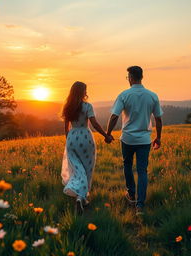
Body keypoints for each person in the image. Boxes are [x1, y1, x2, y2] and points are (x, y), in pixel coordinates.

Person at [106, 66, 163, 216]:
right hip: (144, 140)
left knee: (127, 165)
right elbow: (158, 119)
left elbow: (114, 116)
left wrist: (108, 134)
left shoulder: (124, 95)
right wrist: (158, 137)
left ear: (131, 77)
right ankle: (140, 206)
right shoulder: (152, 96)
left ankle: (131, 194)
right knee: (142, 170)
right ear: (141, 77)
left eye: (128, 77)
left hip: (127, 139)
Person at [61, 81, 113, 215]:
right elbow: (94, 124)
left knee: (76, 170)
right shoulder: (87, 106)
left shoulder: (67, 107)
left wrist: (68, 140)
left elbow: (66, 127)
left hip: (72, 138)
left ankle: (80, 197)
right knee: (87, 170)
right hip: (85, 138)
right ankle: (81, 198)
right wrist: (106, 135)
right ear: (83, 92)